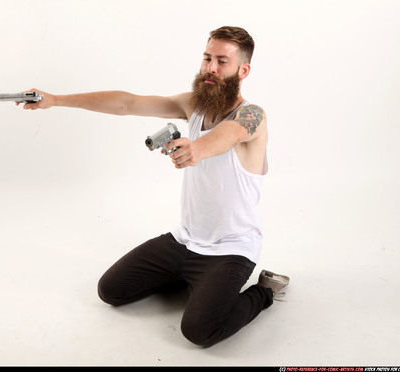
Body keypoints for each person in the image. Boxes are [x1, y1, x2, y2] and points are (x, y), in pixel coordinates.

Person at [18, 26, 289, 347]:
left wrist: (198, 149)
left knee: (200, 331)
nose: (211, 69)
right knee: (111, 291)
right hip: (184, 240)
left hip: (230, 249)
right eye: (206, 59)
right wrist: (55, 99)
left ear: (243, 70)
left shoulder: (253, 116)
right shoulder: (194, 104)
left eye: (222, 61)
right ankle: (191, 280)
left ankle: (265, 291)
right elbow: (127, 103)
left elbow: (229, 134)